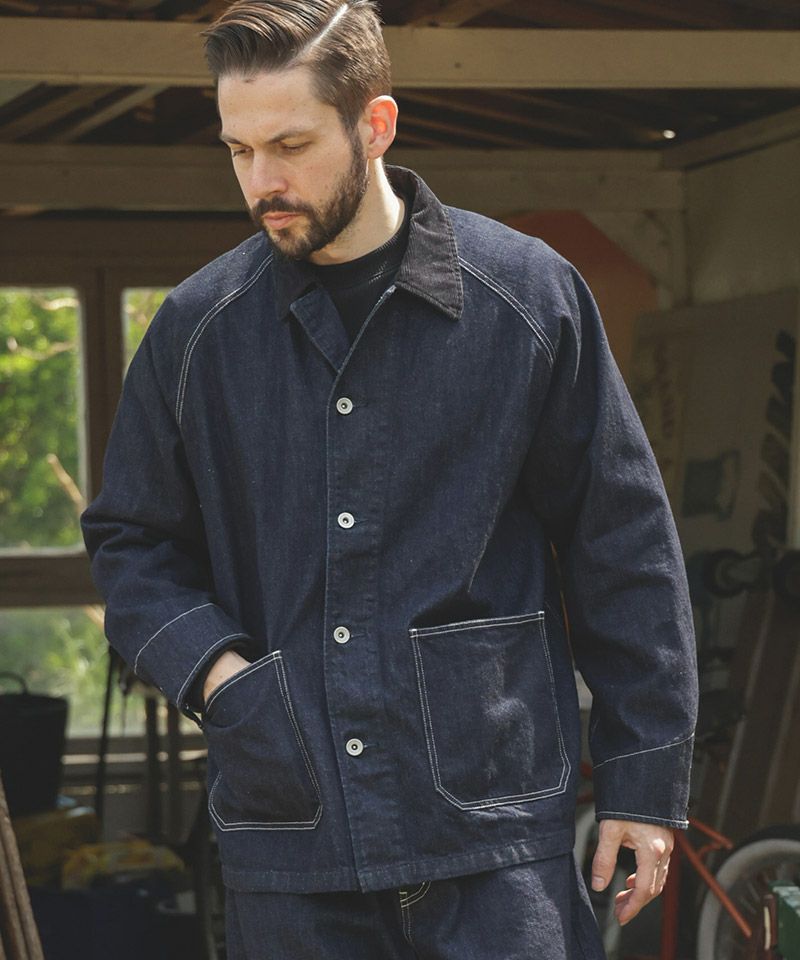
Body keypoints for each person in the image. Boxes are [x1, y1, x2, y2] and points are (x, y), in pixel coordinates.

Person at [80, 1, 699, 957]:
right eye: (239, 150)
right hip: (292, 839)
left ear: (375, 125)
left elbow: (621, 542)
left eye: (290, 145)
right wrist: (220, 677)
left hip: (494, 835)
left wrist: (644, 781)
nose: (262, 181)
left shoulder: (527, 300)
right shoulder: (198, 331)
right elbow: (131, 540)